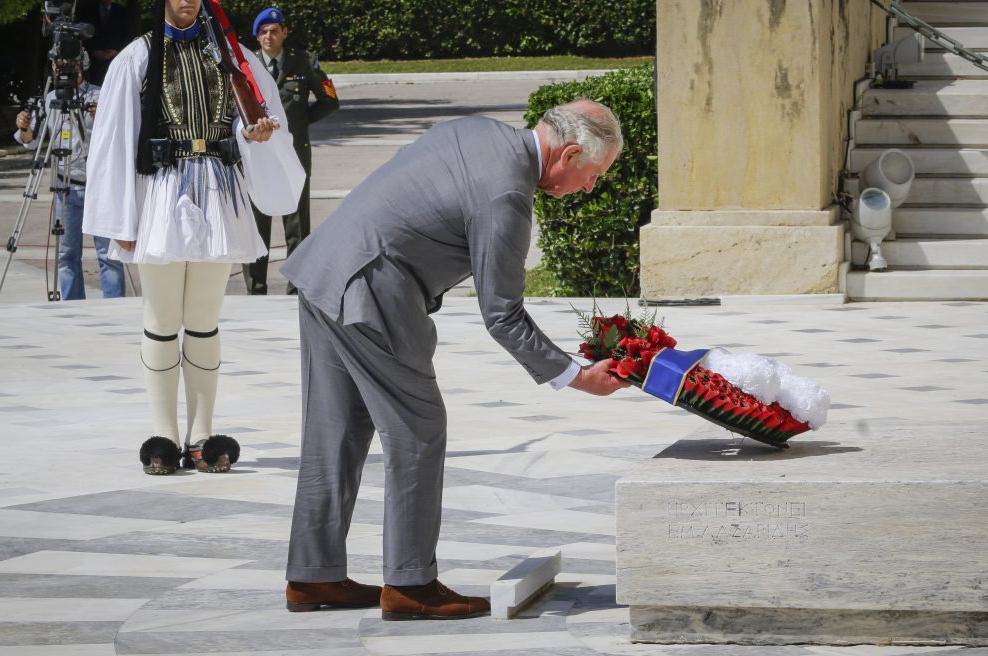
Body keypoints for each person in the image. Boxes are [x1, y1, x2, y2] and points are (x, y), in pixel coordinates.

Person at [278, 100, 632, 619]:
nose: (589, 188)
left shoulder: (480, 130)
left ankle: (313, 576)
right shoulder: (507, 194)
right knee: (418, 429)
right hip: (372, 290)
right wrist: (576, 376)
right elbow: (503, 315)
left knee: (334, 430)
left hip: (326, 267)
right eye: (593, 175)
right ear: (571, 153)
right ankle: (410, 585)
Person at [83, 0, 305, 475]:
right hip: (161, 194)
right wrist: (122, 218)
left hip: (218, 194)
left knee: (203, 321)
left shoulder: (231, 54)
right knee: (162, 320)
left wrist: (255, 134)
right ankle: (163, 438)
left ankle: (201, 437)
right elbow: (115, 139)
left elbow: (256, 118)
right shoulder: (138, 57)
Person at [241, 7, 339, 295]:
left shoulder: (304, 62)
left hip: (294, 152)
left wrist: (297, 124)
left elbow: (330, 100)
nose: (268, 36)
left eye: (274, 31)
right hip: (258, 154)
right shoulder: (245, 65)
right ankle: (255, 289)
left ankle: (296, 288)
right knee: (257, 222)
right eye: (263, 32)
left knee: (297, 222)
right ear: (257, 37)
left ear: (284, 33)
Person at [15, 57, 125, 300]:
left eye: (69, 62)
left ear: (82, 64)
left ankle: (116, 308)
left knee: (110, 256)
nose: (62, 67)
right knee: (66, 256)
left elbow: (120, 137)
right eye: (57, 62)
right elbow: (31, 141)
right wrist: (24, 126)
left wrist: (103, 118)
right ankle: (73, 308)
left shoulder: (100, 94)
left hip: (99, 187)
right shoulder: (50, 98)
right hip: (65, 187)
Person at [79, 0, 133, 87]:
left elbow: (127, 35)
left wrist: (116, 51)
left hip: (115, 59)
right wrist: (93, 52)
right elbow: (81, 34)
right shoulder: (88, 10)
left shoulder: (121, 11)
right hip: (93, 62)